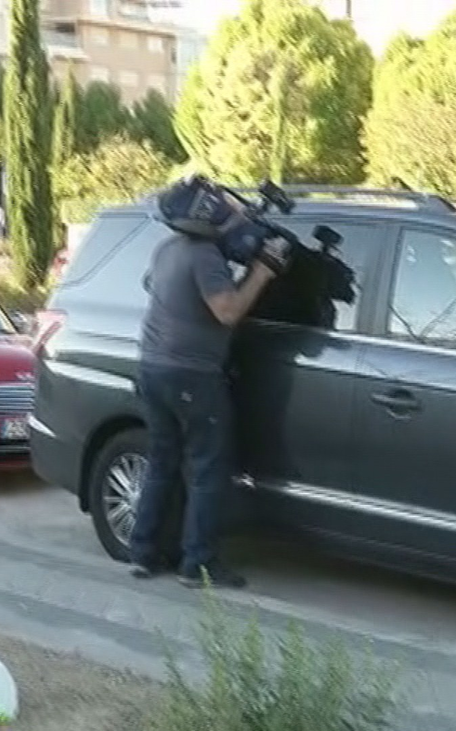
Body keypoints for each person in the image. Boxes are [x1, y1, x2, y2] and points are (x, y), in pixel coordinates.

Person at [128, 183, 289, 589]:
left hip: (152, 367)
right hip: (192, 375)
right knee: (207, 468)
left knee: (162, 462)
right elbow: (227, 311)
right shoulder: (204, 256)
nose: (237, 218)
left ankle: (144, 552)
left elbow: (159, 288)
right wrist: (262, 270)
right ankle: (197, 564)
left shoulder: (168, 248)